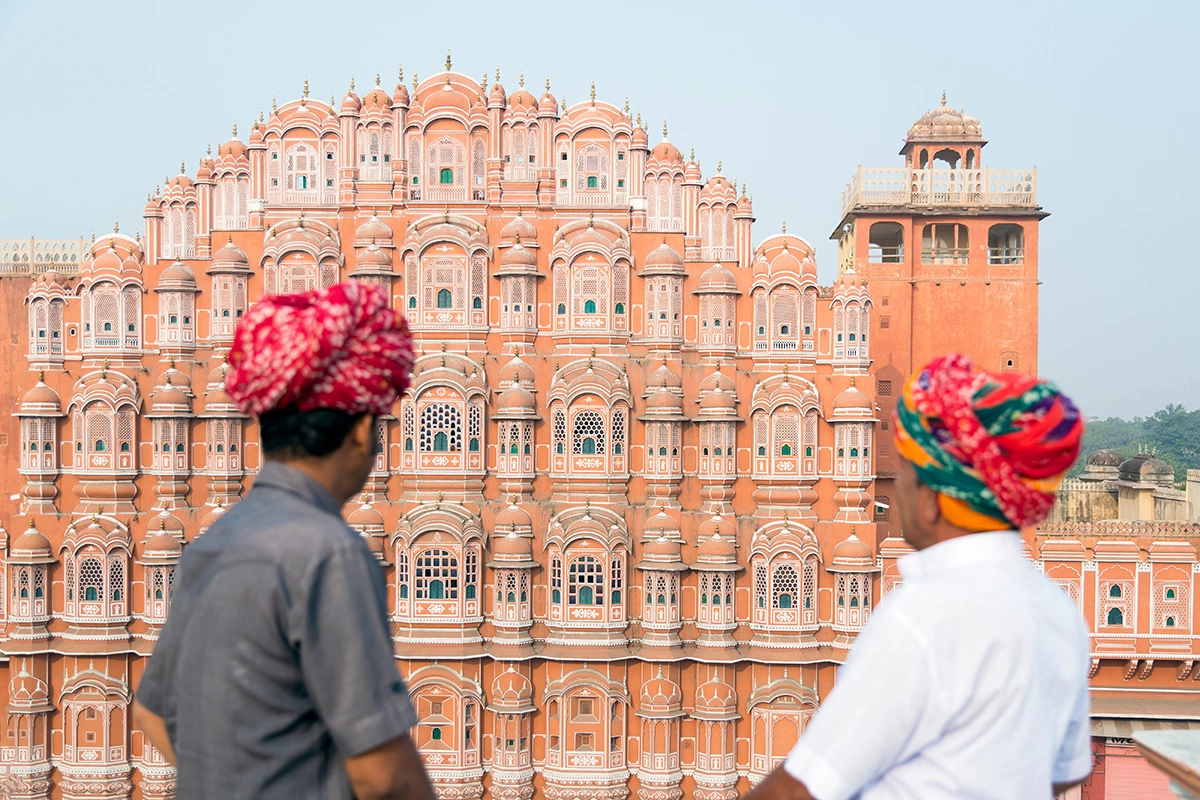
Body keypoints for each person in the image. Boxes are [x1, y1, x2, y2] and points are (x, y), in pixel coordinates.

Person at [134, 282, 435, 800]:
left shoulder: (211, 543)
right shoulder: (329, 553)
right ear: (362, 430)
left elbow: (151, 713)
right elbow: (384, 775)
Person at [748, 353, 1090, 800]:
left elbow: (801, 790)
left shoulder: (923, 616)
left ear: (932, 499)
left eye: (906, 473)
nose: (896, 487)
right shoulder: (1058, 609)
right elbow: (1064, 772)